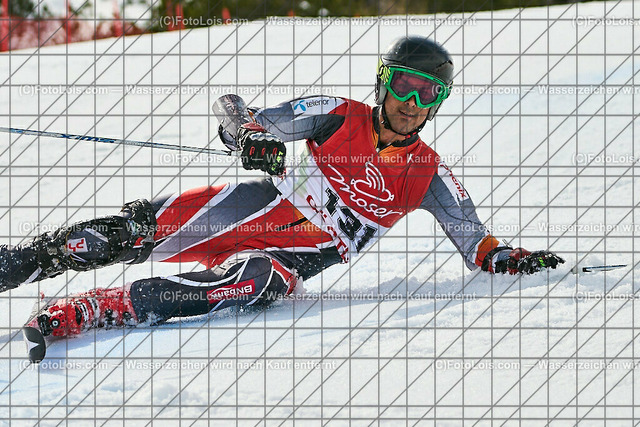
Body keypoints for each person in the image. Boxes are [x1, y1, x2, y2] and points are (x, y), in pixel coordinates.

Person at [0, 36, 563, 338]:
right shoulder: (337, 114)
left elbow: (478, 245)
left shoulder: (429, 174)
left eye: (428, 95)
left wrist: (510, 259)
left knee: (249, 283)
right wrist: (252, 142)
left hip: (291, 258)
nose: (412, 105)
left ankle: (95, 310)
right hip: (254, 207)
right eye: (404, 87)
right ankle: (18, 264)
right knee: (131, 231)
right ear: (384, 83)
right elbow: (238, 116)